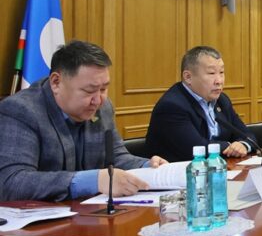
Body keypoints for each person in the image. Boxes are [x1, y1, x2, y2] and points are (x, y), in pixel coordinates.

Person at [0, 41, 167, 201]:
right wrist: (94, 180)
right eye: (89, 90)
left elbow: (116, 157)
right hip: (39, 217)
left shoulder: (103, 107)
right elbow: (11, 182)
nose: (98, 100)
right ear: (56, 82)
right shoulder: (21, 110)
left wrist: (147, 167)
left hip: (89, 213)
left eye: (104, 89)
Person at [146, 46, 257, 162]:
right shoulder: (172, 106)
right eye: (211, 73)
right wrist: (231, 146)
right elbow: (196, 148)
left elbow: (248, 135)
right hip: (179, 171)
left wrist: (243, 144)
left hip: (216, 167)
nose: (219, 81)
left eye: (221, 72)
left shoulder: (222, 100)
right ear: (188, 77)